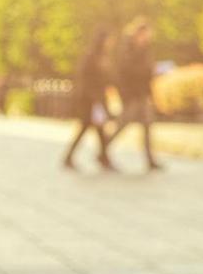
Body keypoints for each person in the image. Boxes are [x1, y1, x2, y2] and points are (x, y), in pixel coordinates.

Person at [108, 18, 163, 171]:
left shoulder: (146, 50)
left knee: (147, 126)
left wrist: (151, 95)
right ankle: (103, 148)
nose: (146, 38)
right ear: (137, 33)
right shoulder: (127, 49)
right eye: (144, 34)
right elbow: (124, 73)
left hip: (142, 94)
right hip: (131, 95)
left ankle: (150, 160)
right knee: (123, 124)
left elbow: (147, 75)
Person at [63, 30, 115, 171]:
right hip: (90, 100)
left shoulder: (102, 56)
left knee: (99, 129)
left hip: (97, 99)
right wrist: (94, 98)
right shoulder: (91, 57)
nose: (111, 43)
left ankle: (103, 158)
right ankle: (101, 159)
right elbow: (85, 79)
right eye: (109, 40)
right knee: (88, 127)